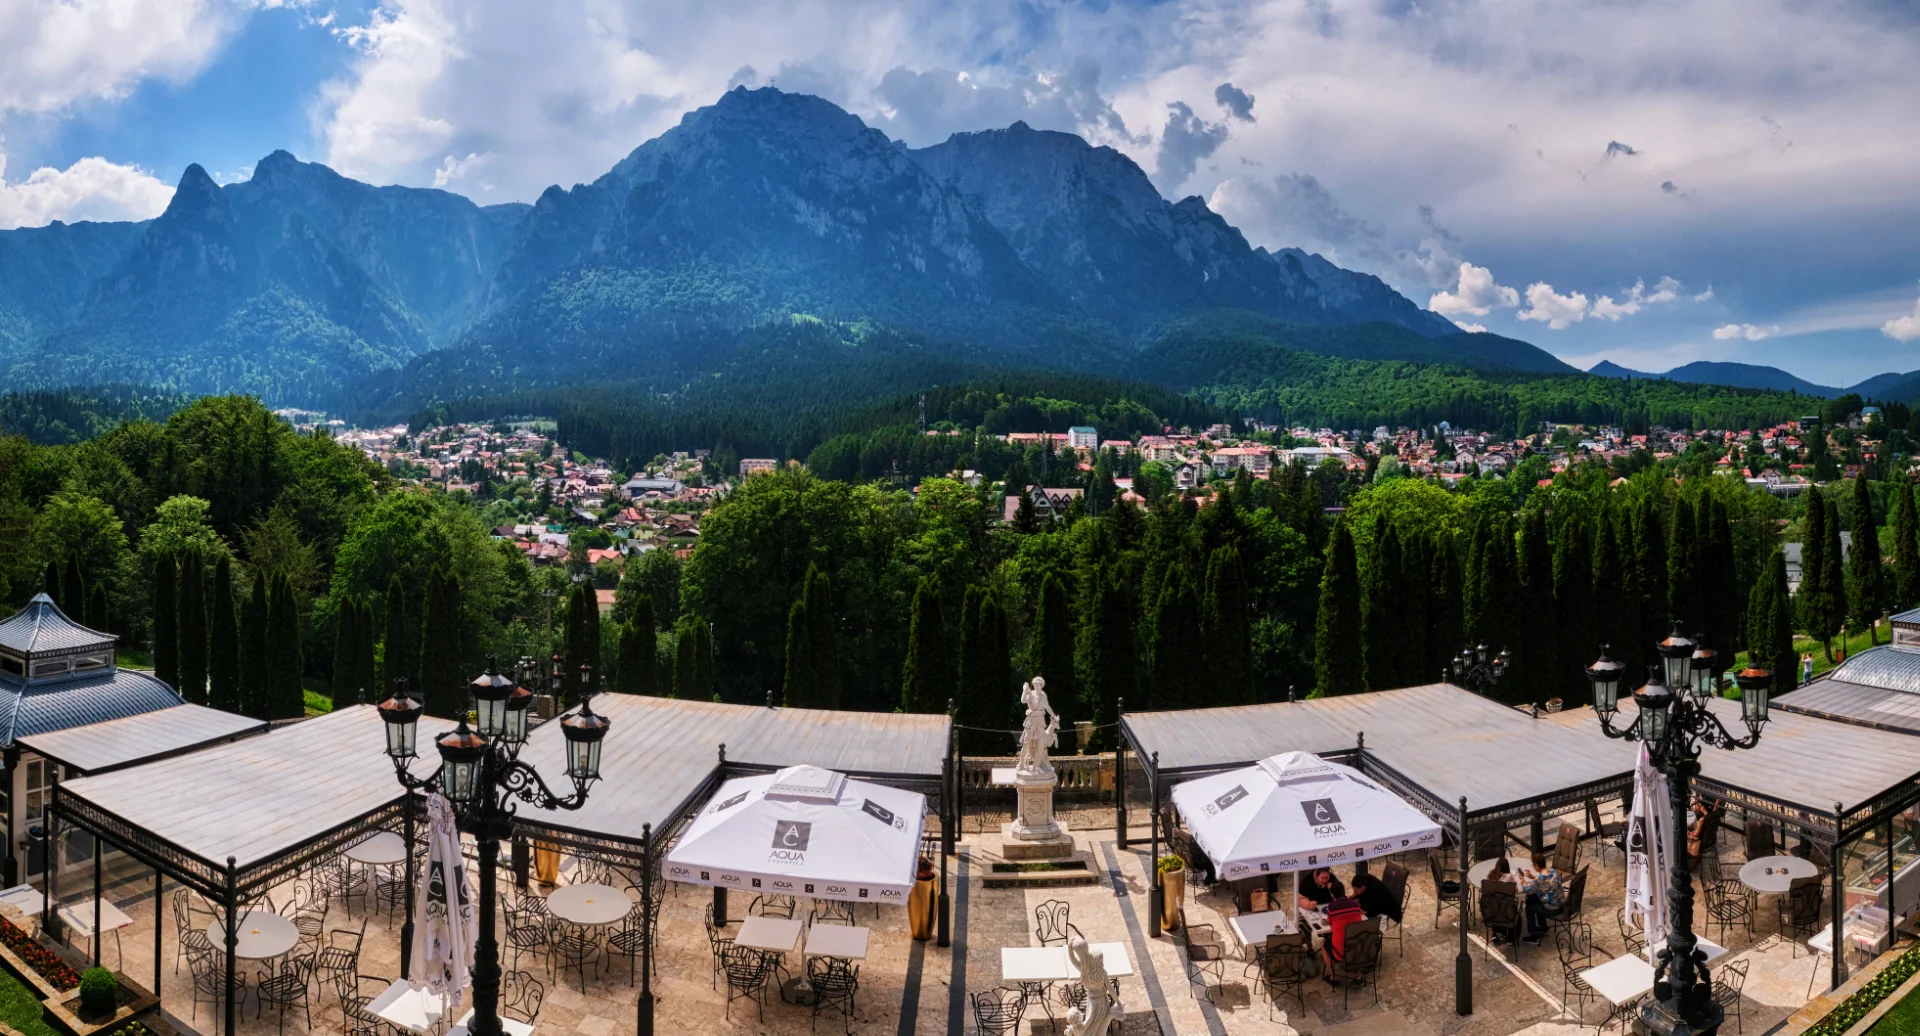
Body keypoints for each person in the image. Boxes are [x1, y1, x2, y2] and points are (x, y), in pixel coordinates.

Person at [1320, 897, 1368, 987]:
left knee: (1323, 943)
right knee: (1359, 939)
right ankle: (1359, 975)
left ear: (1333, 896)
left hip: (1341, 953)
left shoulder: (1332, 907)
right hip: (1360, 951)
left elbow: (1330, 924)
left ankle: (1333, 977)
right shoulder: (1355, 905)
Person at [1521, 851, 1565, 945]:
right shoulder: (1552, 871)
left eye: (1533, 865)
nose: (1533, 866)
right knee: (1534, 899)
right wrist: (1533, 877)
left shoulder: (1540, 879)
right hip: (1560, 904)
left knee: (1529, 908)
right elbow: (1545, 883)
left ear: (1537, 865)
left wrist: (1523, 881)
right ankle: (1543, 928)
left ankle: (1534, 936)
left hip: (1552, 908)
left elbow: (1528, 890)